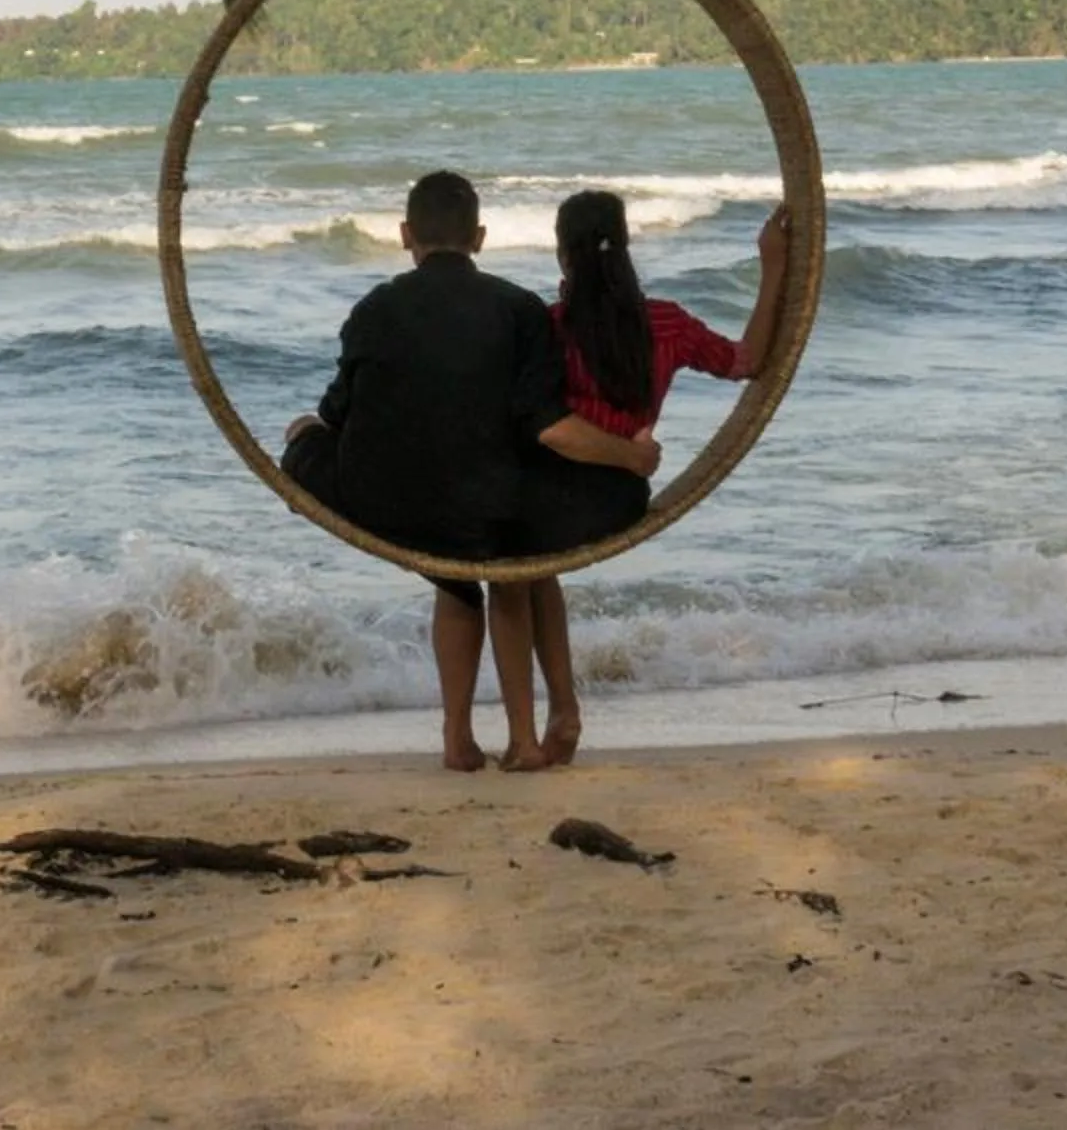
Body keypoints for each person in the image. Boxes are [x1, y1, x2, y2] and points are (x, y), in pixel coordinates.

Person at [281, 170, 659, 772]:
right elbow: (547, 424)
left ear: (405, 234)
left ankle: (457, 735)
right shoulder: (520, 308)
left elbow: (337, 412)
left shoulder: (373, 307)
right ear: (479, 237)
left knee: (305, 433)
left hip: (389, 506)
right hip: (491, 511)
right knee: (489, 534)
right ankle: (513, 732)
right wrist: (630, 457)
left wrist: (316, 435)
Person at [507, 192, 792, 768]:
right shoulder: (664, 322)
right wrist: (775, 267)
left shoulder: (549, 326)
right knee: (541, 574)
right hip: (619, 499)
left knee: (515, 572)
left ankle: (542, 724)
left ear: (564, 256)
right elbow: (746, 361)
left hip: (552, 497)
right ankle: (563, 712)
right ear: (626, 246)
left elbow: (536, 424)